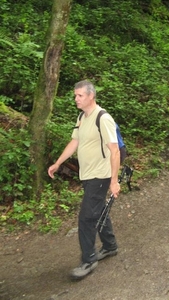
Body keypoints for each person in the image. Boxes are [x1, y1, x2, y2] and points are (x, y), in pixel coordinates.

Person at [48, 80, 121, 280]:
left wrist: (114, 181)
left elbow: (114, 150)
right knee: (96, 212)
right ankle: (110, 246)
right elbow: (75, 142)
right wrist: (58, 163)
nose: (76, 99)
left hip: (101, 175)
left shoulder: (103, 118)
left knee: (86, 218)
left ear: (90, 96)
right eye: (75, 95)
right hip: (87, 175)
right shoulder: (82, 116)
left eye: (79, 95)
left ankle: (88, 260)